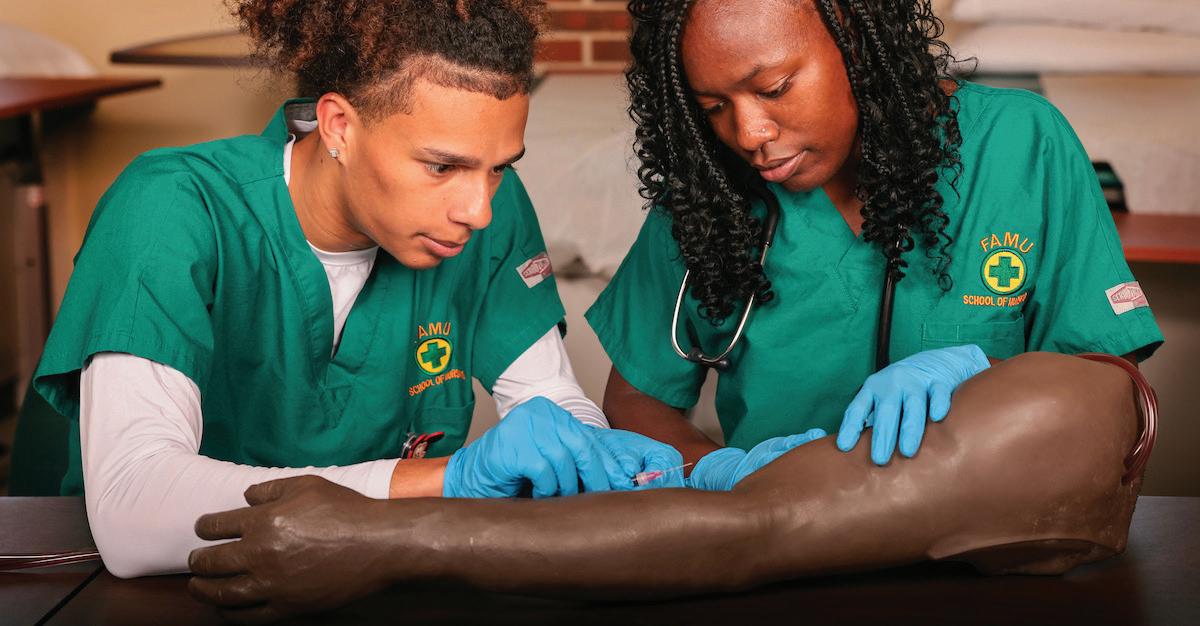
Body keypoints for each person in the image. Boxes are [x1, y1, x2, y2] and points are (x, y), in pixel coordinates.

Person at [28, 0, 680, 578]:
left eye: (500, 168)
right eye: (442, 166)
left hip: (372, 576)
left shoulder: (492, 212)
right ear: (339, 125)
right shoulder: (169, 207)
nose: (478, 210)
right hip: (149, 591)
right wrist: (450, 480)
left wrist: (607, 459)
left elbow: (548, 399)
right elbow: (133, 514)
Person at [584, 0, 1164, 487]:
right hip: (781, 542)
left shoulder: (1018, 143)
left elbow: (1111, 389)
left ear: (855, 40)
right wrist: (721, 473)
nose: (750, 133)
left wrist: (983, 372)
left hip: (984, 542)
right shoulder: (706, 192)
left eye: (774, 88)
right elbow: (638, 398)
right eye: (713, 107)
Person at [186, 351, 1151, 622]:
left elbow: (745, 534)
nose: (750, 128)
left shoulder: (1054, 423)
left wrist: (387, 537)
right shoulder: (1068, 412)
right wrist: (703, 466)